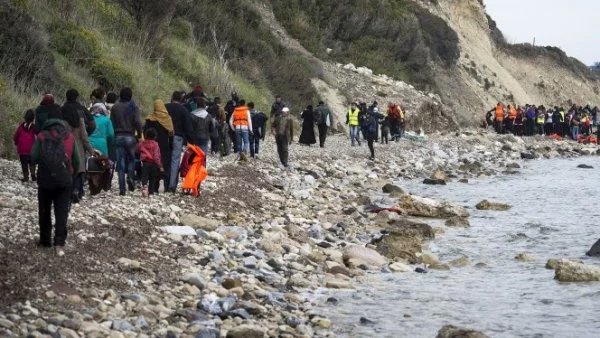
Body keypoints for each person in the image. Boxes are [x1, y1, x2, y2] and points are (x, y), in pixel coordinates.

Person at [31, 107, 80, 256]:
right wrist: (71, 174)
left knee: (44, 210)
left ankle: (45, 240)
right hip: (64, 180)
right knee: (61, 211)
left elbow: (33, 157)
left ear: (48, 120)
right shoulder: (69, 137)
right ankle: (59, 242)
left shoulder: (41, 136)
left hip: (45, 179)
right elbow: (77, 161)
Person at [61, 89, 95, 204]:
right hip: (79, 143)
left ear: (67, 97)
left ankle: (68, 192)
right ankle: (77, 191)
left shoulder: (62, 110)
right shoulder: (81, 111)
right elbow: (90, 126)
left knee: (67, 167)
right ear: (77, 97)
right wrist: (90, 149)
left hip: (65, 143)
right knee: (80, 168)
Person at [110, 87, 143, 196]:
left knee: (120, 162)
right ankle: (130, 176)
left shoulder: (115, 107)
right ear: (130, 95)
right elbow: (138, 121)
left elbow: (112, 123)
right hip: (130, 137)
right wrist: (139, 134)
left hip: (118, 136)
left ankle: (122, 189)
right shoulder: (134, 107)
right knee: (131, 159)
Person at [166, 91, 194, 193]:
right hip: (178, 137)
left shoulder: (165, 107)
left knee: (165, 159)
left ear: (172, 97)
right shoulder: (183, 110)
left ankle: (162, 182)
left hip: (165, 136)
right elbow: (188, 127)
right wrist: (192, 141)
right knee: (175, 160)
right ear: (181, 99)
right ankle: (172, 185)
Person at [144, 99, 173, 193]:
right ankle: (166, 185)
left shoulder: (150, 119)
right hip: (164, 146)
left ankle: (154, 186)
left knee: (154, 165)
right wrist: (171, 145)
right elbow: (171, 133)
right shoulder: (167, 119)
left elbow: (145, 132)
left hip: (151, 147)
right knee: (164, 165)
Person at [136, 128, 164, 197]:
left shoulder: (143, 143)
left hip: (145, 163)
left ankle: (145, 187)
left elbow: (137, 149)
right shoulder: (155, 144)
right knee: (152, 178)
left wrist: (139, 143)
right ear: (155, 136)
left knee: (144, 177)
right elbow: (156, 156)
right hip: (154, 164)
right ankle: (151, 192)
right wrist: (160, 166)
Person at [14, 109, 37, 182]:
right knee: (32, 162)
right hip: (31, 149)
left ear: (25, 117)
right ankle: (33, 175)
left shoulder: (21, 126)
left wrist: (16, 143)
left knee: (24, 164)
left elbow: (16, 136)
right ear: (33, 118)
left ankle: (26, 177)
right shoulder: (34, 127)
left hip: (22, 149)